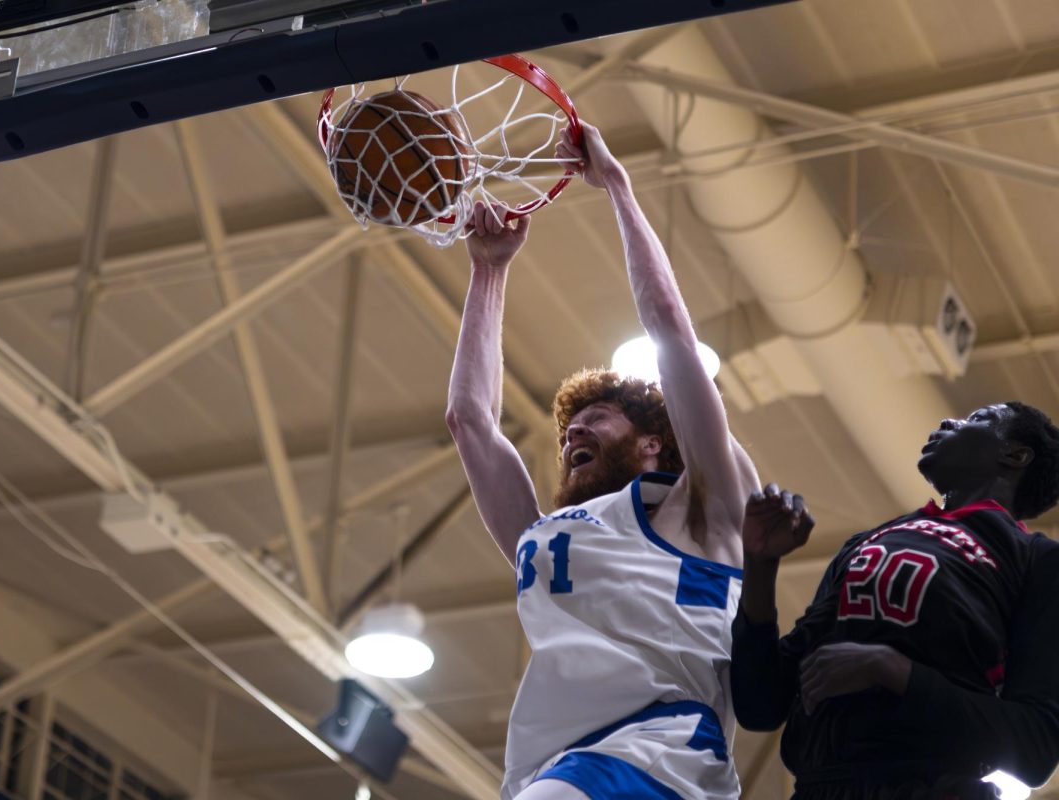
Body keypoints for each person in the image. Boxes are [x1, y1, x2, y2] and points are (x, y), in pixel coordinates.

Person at [445, 122, 760, 800]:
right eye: (565, 431)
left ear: (655, 442)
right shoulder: (543, 541)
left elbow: (668, 325)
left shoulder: (701, 509)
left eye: (596, 418)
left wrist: (616, 186)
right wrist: (488, 270)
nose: (572, 433)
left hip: (661, 752)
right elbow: (469, 422)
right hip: (556, 767)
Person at [732, 403, 1059, 799]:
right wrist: (761, 564)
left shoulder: (1035, 560)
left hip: (934, 785)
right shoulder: (868, 541)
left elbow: (1035, 749)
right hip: (821, 786)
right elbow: (759, 704)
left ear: (1015, 454)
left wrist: (894, 670)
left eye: (976, 419)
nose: (945, 421)